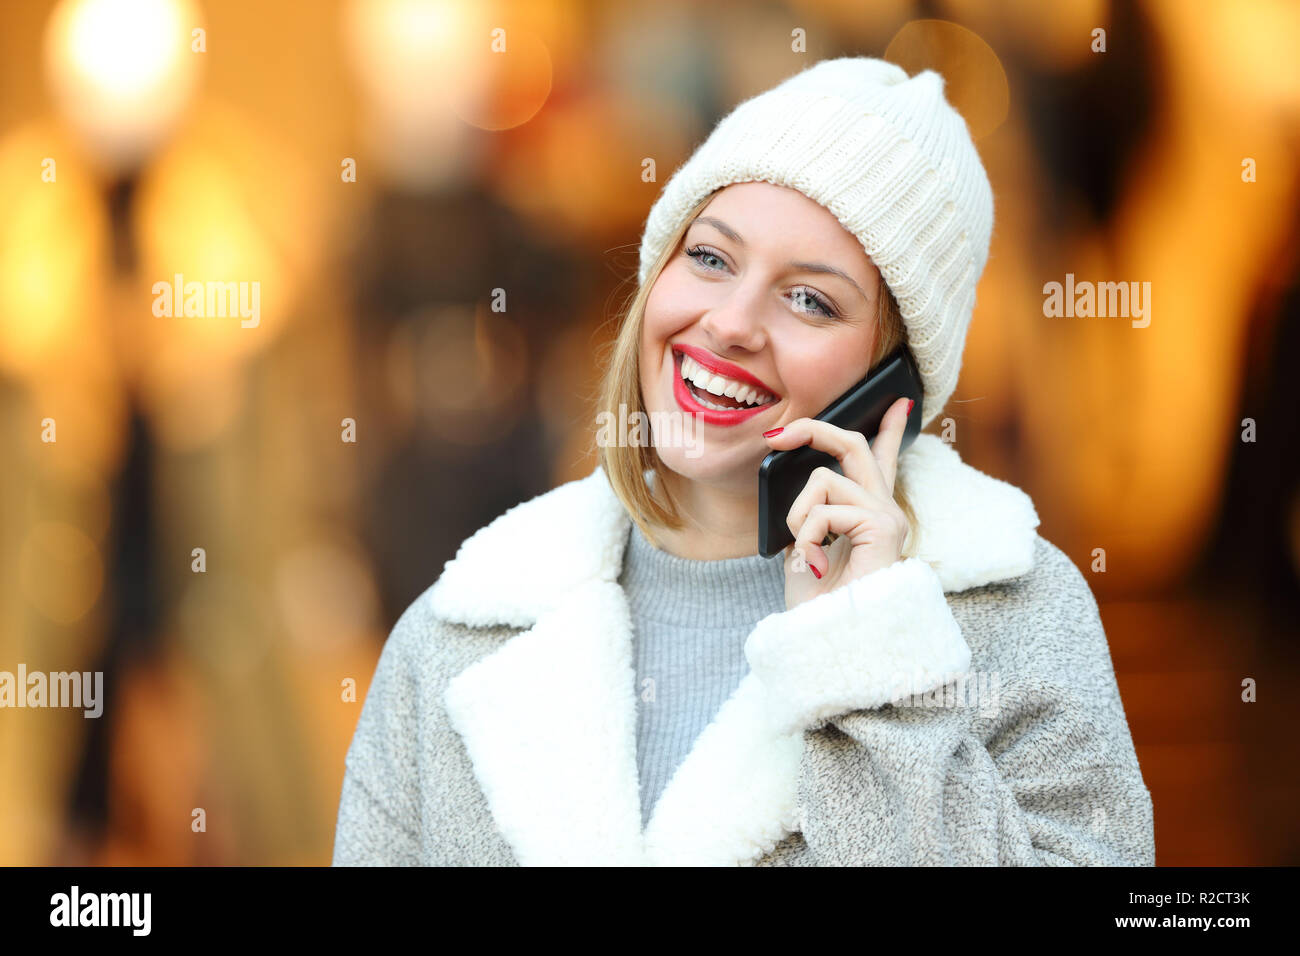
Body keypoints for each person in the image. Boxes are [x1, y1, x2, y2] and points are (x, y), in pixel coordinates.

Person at [332, 56, 1155, 866]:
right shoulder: (460, 630)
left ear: (891, 384)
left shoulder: (1022, 616)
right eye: (712, 258)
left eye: (811, 300)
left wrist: (870, 658)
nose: (730, 323)